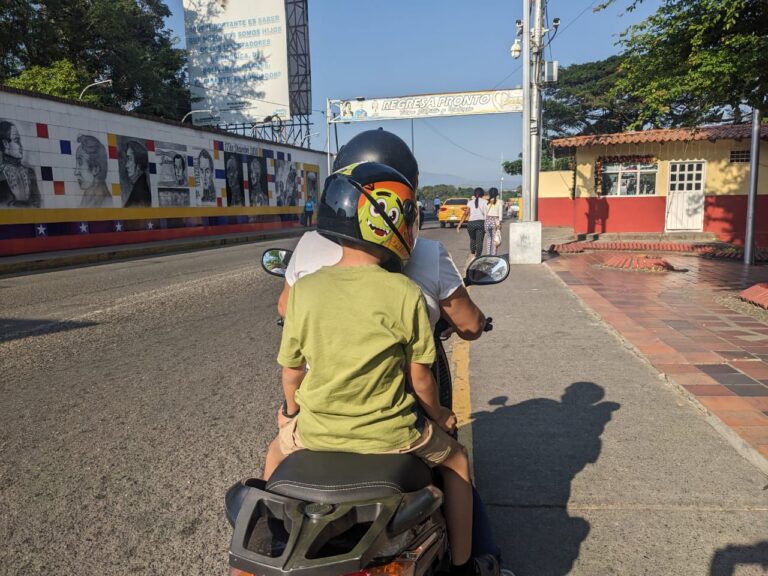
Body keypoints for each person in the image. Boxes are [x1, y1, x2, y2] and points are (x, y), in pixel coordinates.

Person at [275, 129, 501, 568]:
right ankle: (468, 562)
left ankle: (279, 538)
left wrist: (289, 411)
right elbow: (430, 368)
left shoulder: (307, 264)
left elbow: (288, 341)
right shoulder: (414, 278)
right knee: (457, 462)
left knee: (274, 452)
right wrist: (439, 415)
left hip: (319, 423)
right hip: (393, 430)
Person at [0, 120, 41, 207]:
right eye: (17, 140)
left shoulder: (30, 172)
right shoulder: (1, 174)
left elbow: (38, 203)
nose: (21, 146)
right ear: (5, 144)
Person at [74, 135, 112, 208]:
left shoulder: (105, 201)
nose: (76, 172)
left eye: (80, 163)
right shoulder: (88, 194)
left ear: (95, 169)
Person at [457, 188, 488, 258]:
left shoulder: (470, 202)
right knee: (479, 241)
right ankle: (478, 257)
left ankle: (473, 253)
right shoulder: (485, 202)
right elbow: (487, 214)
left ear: (474, 194)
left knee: (472, 239)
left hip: (471, 223)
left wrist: (459, 224)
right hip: (481, 223)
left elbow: (466, 214)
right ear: (482, 194)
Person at [122, 140, 151, 207]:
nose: (126, 165)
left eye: (130, 159)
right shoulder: (140, 187)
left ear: (139, 165)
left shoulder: (141, 194)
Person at [483, 187, 502, 256]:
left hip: (487, 220)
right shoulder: (500, 202)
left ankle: (488, 254)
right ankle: (494, 255)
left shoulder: (486, 202)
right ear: (497, 194)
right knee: (495, 239)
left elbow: (485, 214)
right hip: (495, 221)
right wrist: (499, 223)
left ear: (489, 193)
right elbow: (500, 213)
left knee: (488, 238)